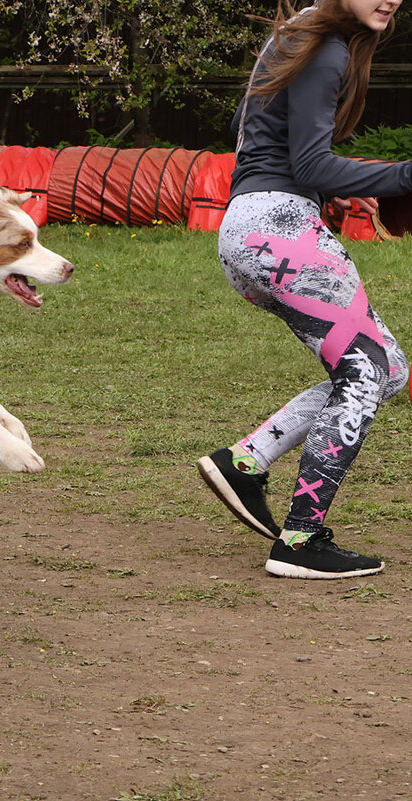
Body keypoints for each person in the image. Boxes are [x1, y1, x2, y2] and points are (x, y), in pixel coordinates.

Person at [197, 0, 412, 579]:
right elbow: (313, 165)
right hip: (280, 229)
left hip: (254, 227)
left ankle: (245, 462)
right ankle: (300, 539)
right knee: (365, 371)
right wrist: (403, 175)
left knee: (386, 368)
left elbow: (266, 144)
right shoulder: (326, 47)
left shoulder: (301, 37)